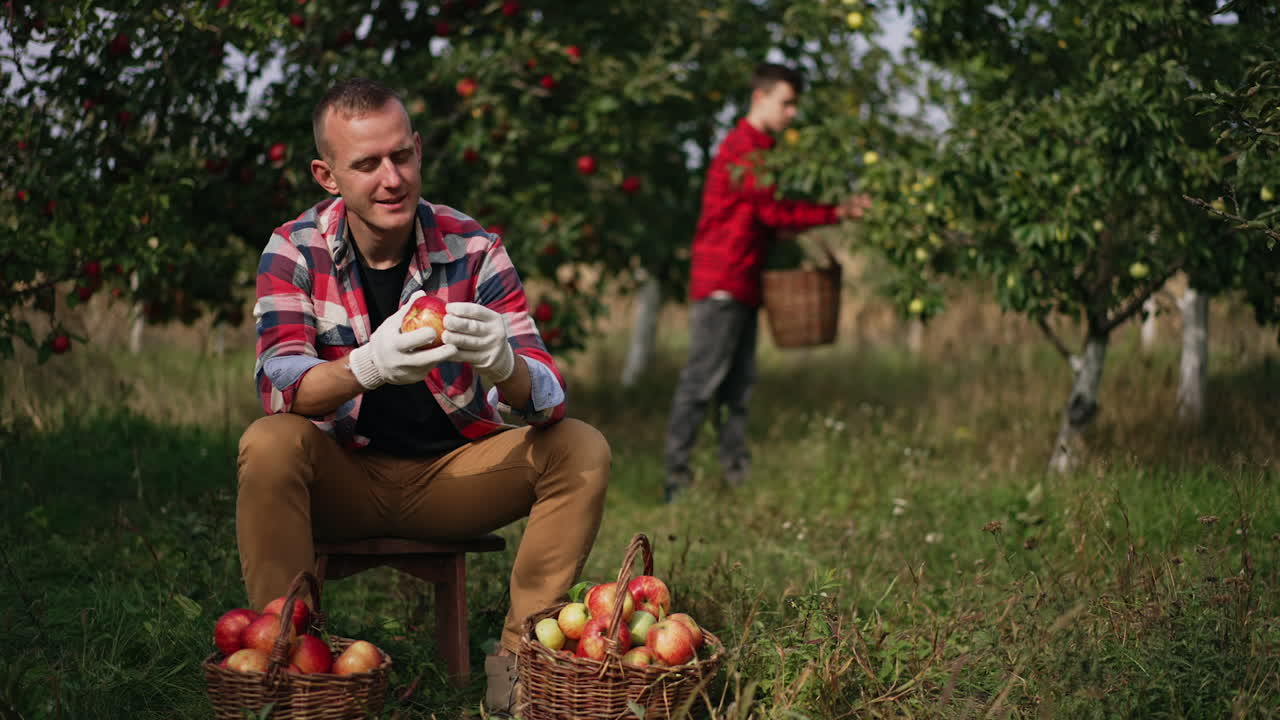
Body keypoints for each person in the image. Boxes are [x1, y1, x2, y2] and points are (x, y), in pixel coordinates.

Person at [236, 78, 610, 715]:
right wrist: (367, 367)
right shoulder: (294, 249)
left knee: (580, 448)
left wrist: (504, 362)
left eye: (402, 156)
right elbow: (283, 387)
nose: (392, 178)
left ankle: (517, 679)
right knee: (267, 443)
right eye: (367, 164)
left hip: (454, 480)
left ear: (416, 150)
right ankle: (291, 667)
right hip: (342, 479)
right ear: (327, 176)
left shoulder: (473, 247)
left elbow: (547, 400)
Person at [664, 63, 870, 503]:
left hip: (742, 283)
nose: (792, 113)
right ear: (761, 99)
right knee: (701, 385)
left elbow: (768, 220)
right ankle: (675, 483)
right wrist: (838, 211)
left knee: (738, 387)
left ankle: (734, 477)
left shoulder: (763, 151)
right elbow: (774, 214)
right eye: (786, 102)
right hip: (722, 283)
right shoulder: (744, 150)